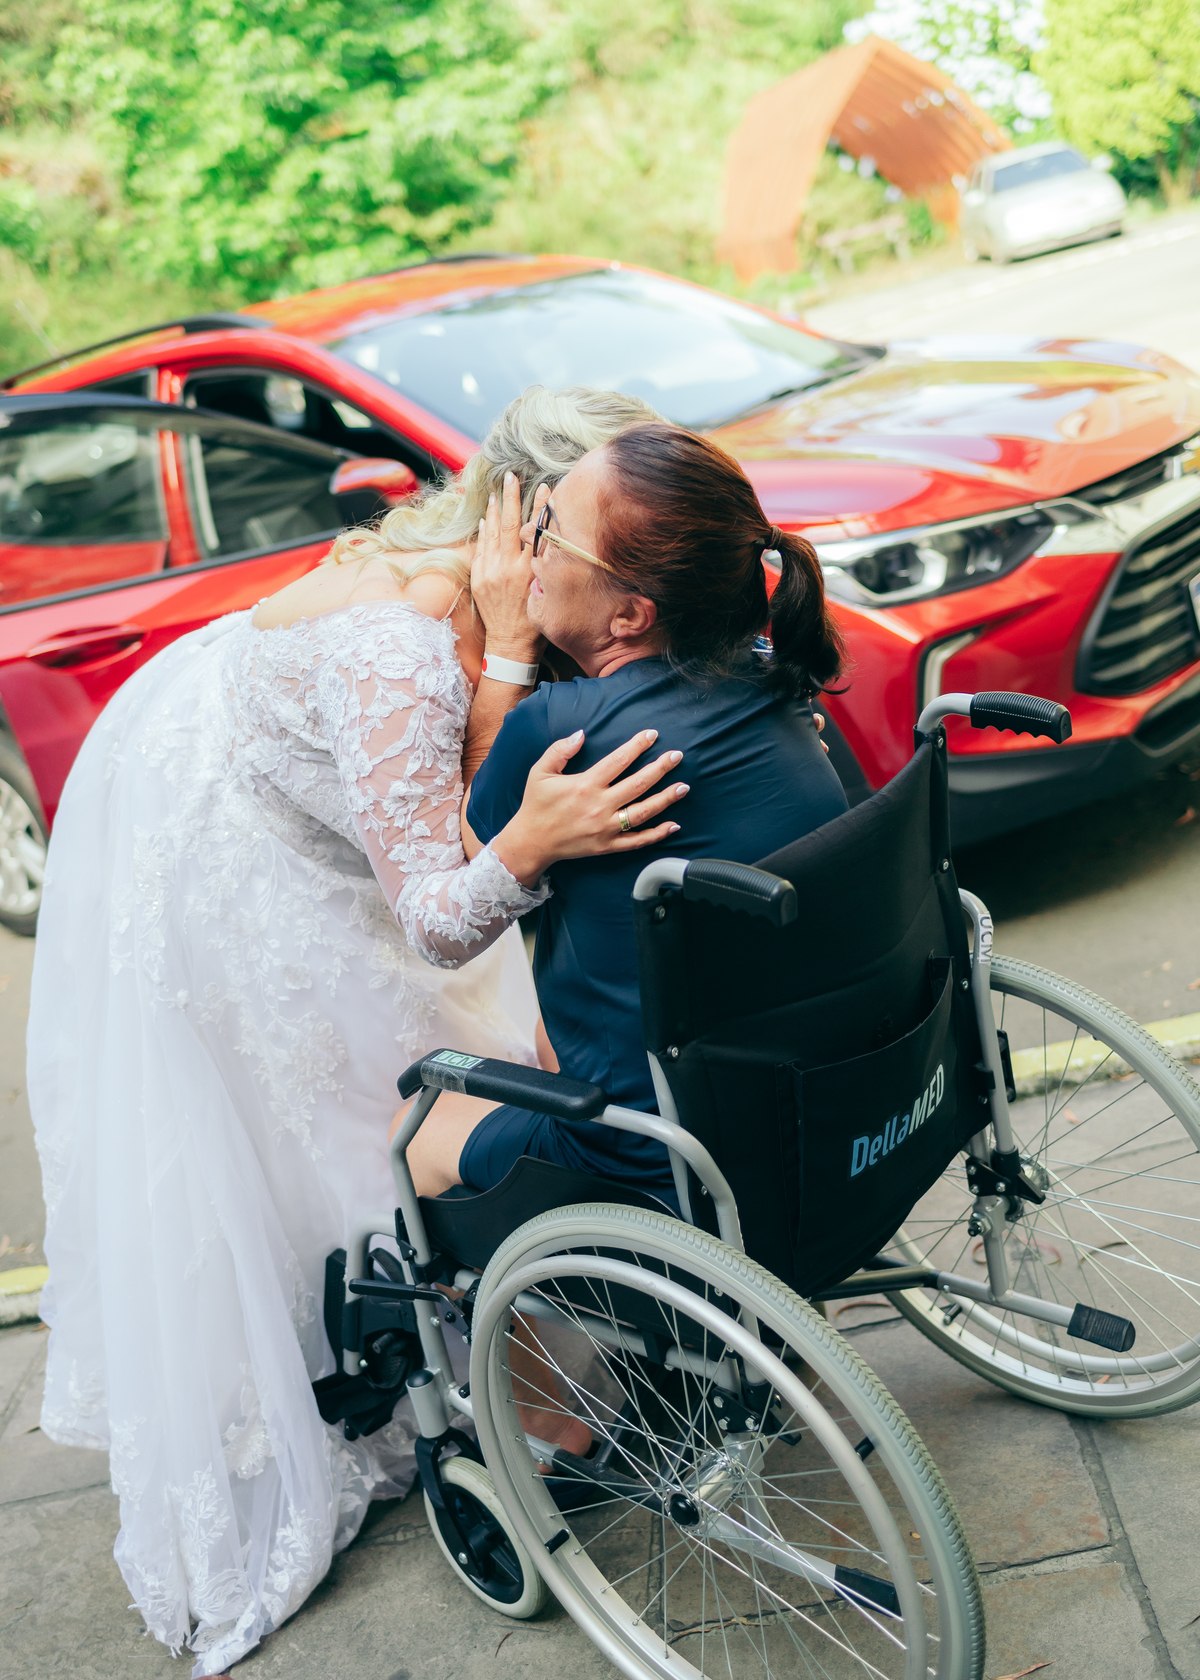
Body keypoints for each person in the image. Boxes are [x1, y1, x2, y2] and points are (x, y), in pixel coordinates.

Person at [26, 386, 685, 1678]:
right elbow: (446, 895)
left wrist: (505, 670)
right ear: (530, 526)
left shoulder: (492, 605)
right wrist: (538, 831)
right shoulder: (399, 643)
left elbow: (452, 803)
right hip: (230, 852)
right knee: (332, 1102)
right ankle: (401, 1369)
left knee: (413, 1065)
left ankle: (478, 1329)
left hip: (347, 815)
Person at [400, 421, 849, 1222]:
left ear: (631, 615)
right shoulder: (774, 679)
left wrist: (507, 642)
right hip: (814, 1098)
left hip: (662, 1149)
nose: (531, 546)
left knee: (417, 1130)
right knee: (541, 1033)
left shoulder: (563, 730)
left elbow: (474, 846)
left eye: (552, 533)